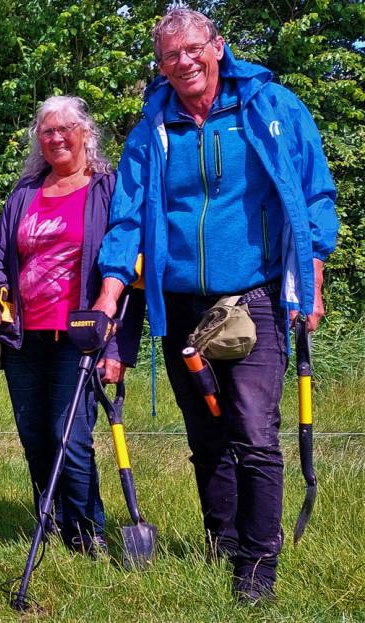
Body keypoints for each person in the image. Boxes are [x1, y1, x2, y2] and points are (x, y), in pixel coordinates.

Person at [94, 8, 338, 603]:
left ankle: (257, 563)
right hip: (178, 303)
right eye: (170, 55)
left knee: (254, 431)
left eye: (194, 49)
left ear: (218, 47)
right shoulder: (152, 127)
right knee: (206, 434)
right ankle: (222, 541)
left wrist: (312, 279)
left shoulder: (270, 107)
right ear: (161, 66)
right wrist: (108, 295)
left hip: (252, 296)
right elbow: (126, 217)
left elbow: (314, 193)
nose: (185, 62)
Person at [0, 95, 142, 557]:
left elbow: (128, 269)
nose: (57, 137)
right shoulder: (25, 193)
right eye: (47, 130)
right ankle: (48, 522)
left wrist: (117, 348)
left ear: (87, 132)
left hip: (82, 335)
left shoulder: (108, 190)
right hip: (24, 335)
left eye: (67, 127)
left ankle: (88, 533)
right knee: (35, 436)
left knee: (71, 436)